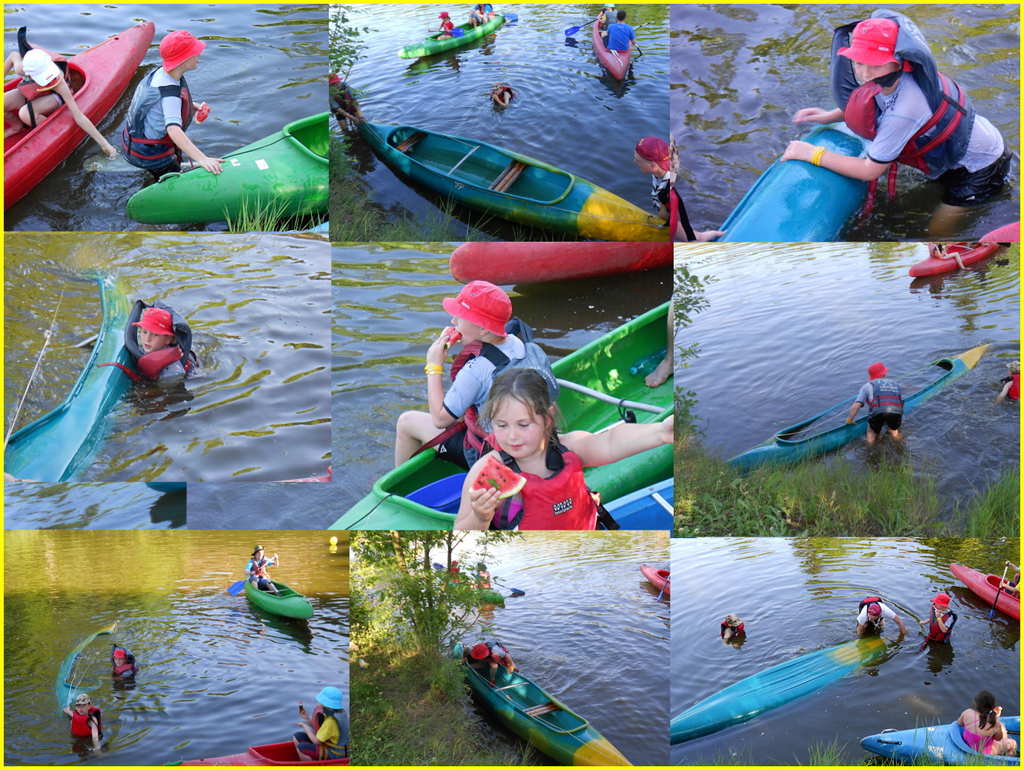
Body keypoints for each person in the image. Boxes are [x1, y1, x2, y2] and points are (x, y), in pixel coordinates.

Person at [782, 11, 1011, 236]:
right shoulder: (889, 78)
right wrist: (830, 116)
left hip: (980, 167)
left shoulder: (906, 109)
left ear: (899, 61)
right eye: (858, 63)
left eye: (875, 65)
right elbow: (875, 104)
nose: (864, 74)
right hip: (956, 147)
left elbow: (870, 171)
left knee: (936, 232)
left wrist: (813, 154)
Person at [455, 368, 673, 530]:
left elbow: (610, 441)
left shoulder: (569, 447)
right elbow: (462, 535)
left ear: (547, 418)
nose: (512, 436)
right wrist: (480, 517)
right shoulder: (488, 470)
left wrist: (661, 432)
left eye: (523, 425)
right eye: (501, 425)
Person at [393, 281, 557, 469]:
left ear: (484, 330)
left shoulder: (475, 370)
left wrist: (434, 366)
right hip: (533, 439)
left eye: (460, 318)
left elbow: (440, 420)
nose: (453, 321)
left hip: (495, 455)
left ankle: (393, 490)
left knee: (406, 422)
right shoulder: (521, 343)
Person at [121, 29, 223, 179]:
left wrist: (191, 106)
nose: (199, 55)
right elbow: (174, 130)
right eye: (195, 52)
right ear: (184, 60)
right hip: (151, 153)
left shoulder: (159, 74)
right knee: (173, 176)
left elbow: (158, 104)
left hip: (134, 143)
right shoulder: (169, 92)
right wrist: (202, 159)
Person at [4, 45, 118, 157]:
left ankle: (50, 134)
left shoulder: (58, 80)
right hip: (35, 91)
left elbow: (78, 116)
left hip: (54, 96)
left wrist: (105, 145)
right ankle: (16, 127)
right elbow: (13, 55)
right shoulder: (22, 68)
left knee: (26, 114)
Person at [633, 137, 723, 242]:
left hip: (672, 214)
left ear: (653, 166)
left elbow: (674, 220)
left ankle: (702, 238)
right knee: (691, 233)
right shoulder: (660, 173)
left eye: (638, 160)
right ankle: (702, 236)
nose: (634, 161)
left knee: (692, 239)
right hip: (668, 211)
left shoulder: (667, 192)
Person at [118, 302, 198, 381]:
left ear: (169, 339)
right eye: (144, 332)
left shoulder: (173, 369)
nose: (147, 339)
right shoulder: (146, 348)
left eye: (155, 335)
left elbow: (169, 391)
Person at [846, 361, 903, 445]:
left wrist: (850, 419)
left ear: (871, 376)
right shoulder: (895, 384)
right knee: (893, 430)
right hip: (895, 411)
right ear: (884, 374)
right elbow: (898, 401)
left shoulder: (867, 386)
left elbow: (856, 405)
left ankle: (871, 450)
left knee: (871, 432)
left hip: (878, 412)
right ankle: (899, 446)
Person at [293, 686, 349, 762]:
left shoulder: (331, 721)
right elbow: (321, 730)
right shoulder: (340, 713)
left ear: (326, 704)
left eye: (321, 702)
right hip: (330, 746)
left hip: (335, 754)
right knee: (297, 736)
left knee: (301, 747)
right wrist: (306, 718)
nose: (319, 703)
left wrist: (305, 726)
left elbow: (316, 741)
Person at [957, 691, 1017, 756]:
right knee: (1013, 743)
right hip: (984, 752)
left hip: (968, 744)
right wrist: (996, 719)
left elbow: (960, 723)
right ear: (992, 707)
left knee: (1001, 727)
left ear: (976, 704)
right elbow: (998, 738)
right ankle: (1008, 759)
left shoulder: (967, 712)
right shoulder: (995, 724)